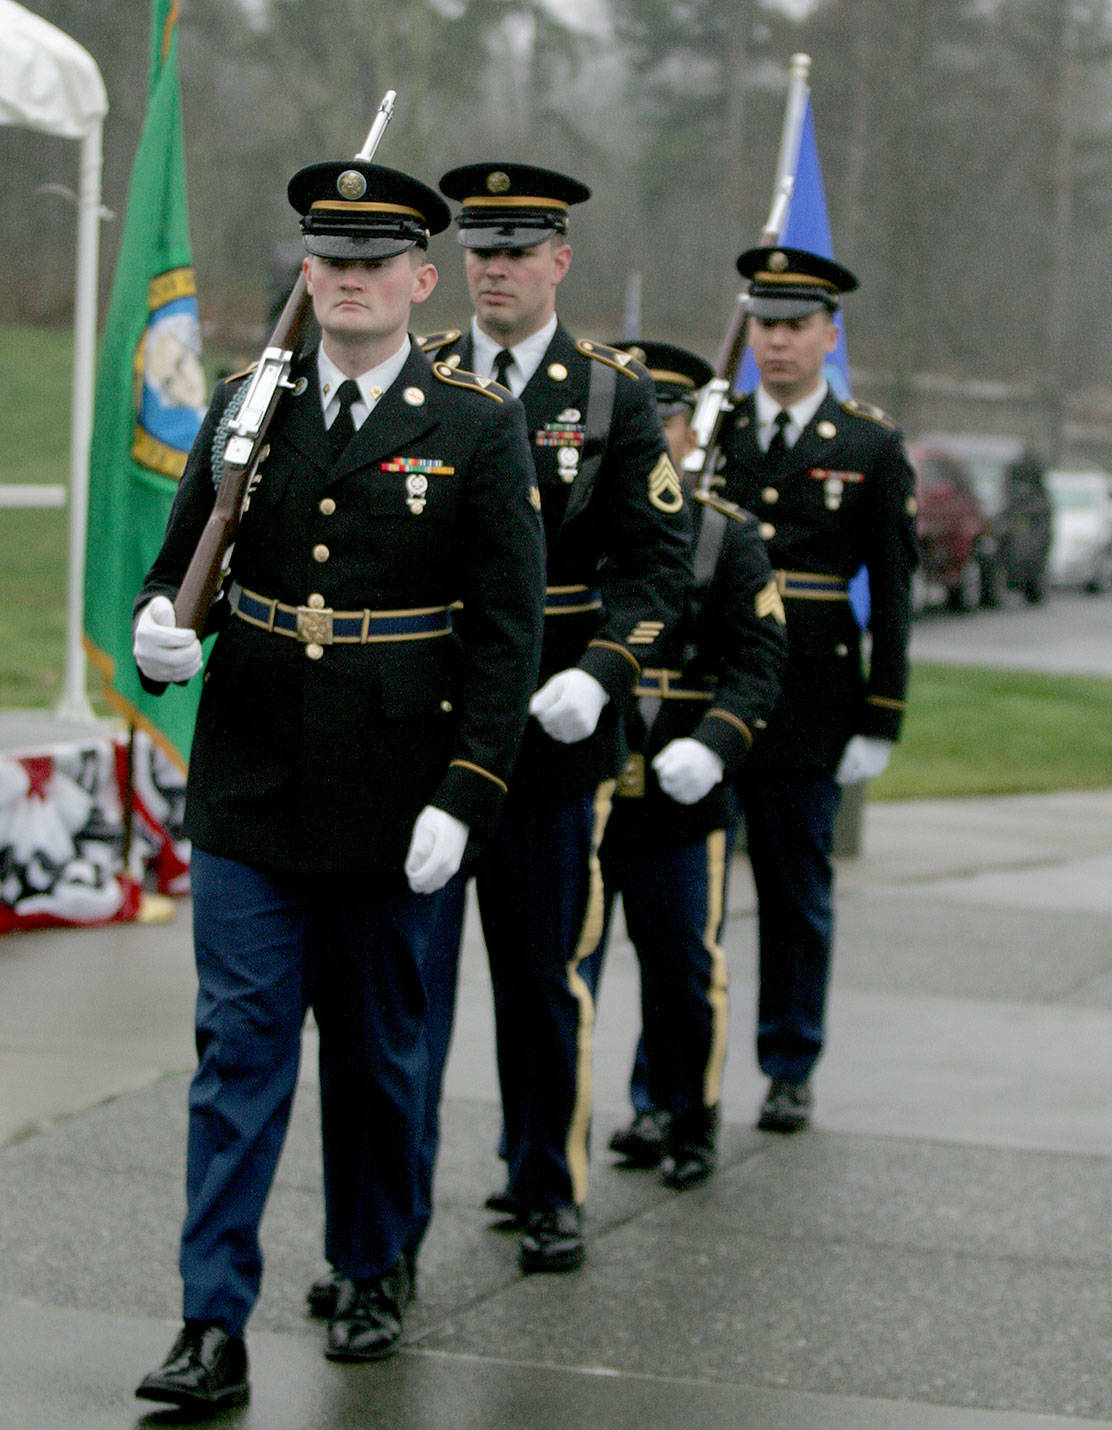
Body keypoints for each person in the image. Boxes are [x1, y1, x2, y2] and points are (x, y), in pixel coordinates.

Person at [131, 159, 545, 1412]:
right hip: (254, 782)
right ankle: (212, 1319)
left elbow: (504, 631)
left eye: (374, 264)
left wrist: (465, 790)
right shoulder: (246, 407)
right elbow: (176, 572)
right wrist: (163, 632)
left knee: (376, 1056)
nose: (349, 280)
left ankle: (371, 1266)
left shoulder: (471, 423)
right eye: (328, 261)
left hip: (395, 787)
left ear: (422, 280)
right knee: (238, 1048)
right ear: (305, 274)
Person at [416, 163, 692, 1274]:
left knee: (540, 975)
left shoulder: (612, 395)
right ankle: (393, 1212)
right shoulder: (425, 372)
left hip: (552, 726)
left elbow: (656, 564)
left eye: (517, 249)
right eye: (480, 249)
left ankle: (545, 1180)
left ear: (559, 262)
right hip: (433, 719)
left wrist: (606, 671)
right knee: (410, 984)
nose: (494, 268)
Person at [713, 246, 917, 1134]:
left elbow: (898, 593)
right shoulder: (713, 432)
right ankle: (676, 1077)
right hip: (711, 692)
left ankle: (790, 1061)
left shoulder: (870, 445)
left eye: (797, 326)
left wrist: (882, 712)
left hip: (810, 699)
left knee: (797, 893)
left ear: (830, 335)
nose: (779, 342)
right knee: (689, 898)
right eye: (765, 323)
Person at [591, 341, 787, 1185]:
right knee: (564, 978)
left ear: (689, 431)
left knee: (681, 968)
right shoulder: (579, 527)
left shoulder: (728, 536)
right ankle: (542, 1155)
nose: (654, 437)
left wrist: (716, 745)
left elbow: (759, 659)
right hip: (591, 781)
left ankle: (687, 1114)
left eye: (665, 420)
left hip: (680, 790)